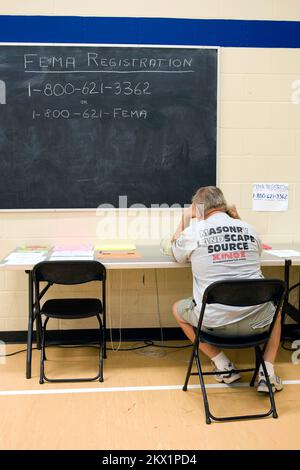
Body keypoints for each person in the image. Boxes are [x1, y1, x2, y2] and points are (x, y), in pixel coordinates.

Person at [171, 186, 283, 393]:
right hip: (257, 321)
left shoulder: (193, 232)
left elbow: (176, 253)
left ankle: (223, 365)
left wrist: (186, 218)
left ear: (199, 209)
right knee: (277, 309)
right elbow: (256, 252)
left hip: (214, 323)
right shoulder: (249, 228)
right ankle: (267, 372)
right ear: (223, 204)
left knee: (177, 309)